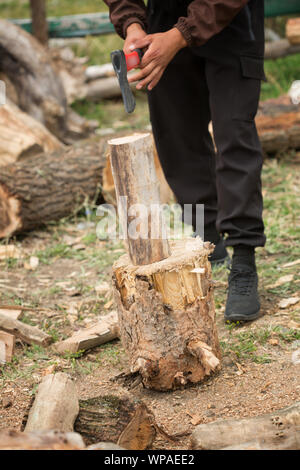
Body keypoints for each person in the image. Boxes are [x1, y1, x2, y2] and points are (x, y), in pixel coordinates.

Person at [104, 0, 266, 323]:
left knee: (235, 135)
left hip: (229, 15)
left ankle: (244, 259)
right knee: (175, 133)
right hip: (164, 16)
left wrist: (181, 35)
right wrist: (133, 23)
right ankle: (208, 239)